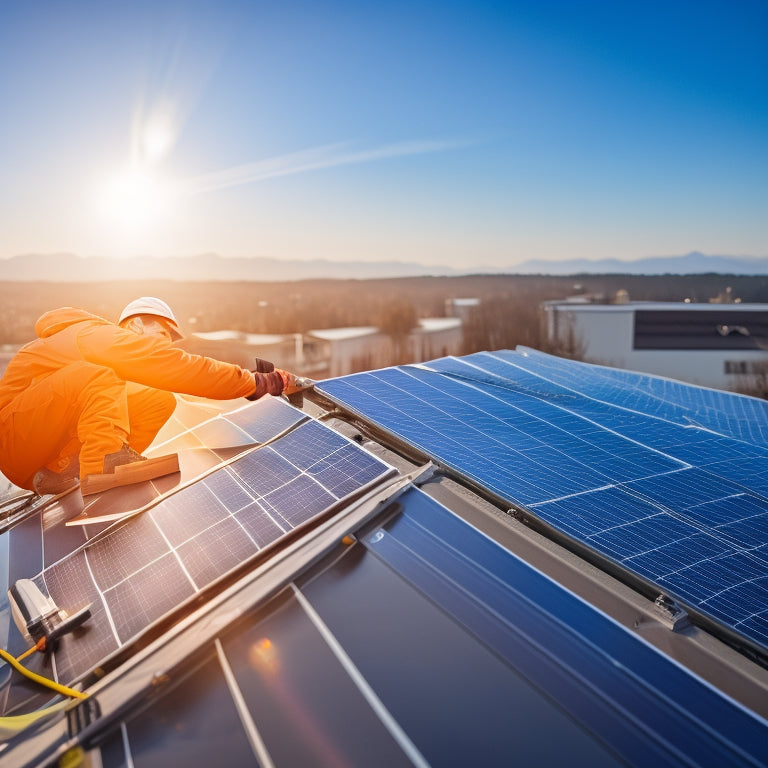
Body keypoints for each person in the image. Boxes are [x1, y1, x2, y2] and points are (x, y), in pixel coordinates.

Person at [0, 297, 295, 496]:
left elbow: (175, 378)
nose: (166, 345)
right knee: (99, 375)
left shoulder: (103, 349)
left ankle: (74, 470)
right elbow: (180, 367)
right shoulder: (96, 337)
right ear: (137, 324)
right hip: (12, 439)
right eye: (163, 334)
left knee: (157, 399)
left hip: (44, 451)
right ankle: (106, 463)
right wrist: (255, 382)